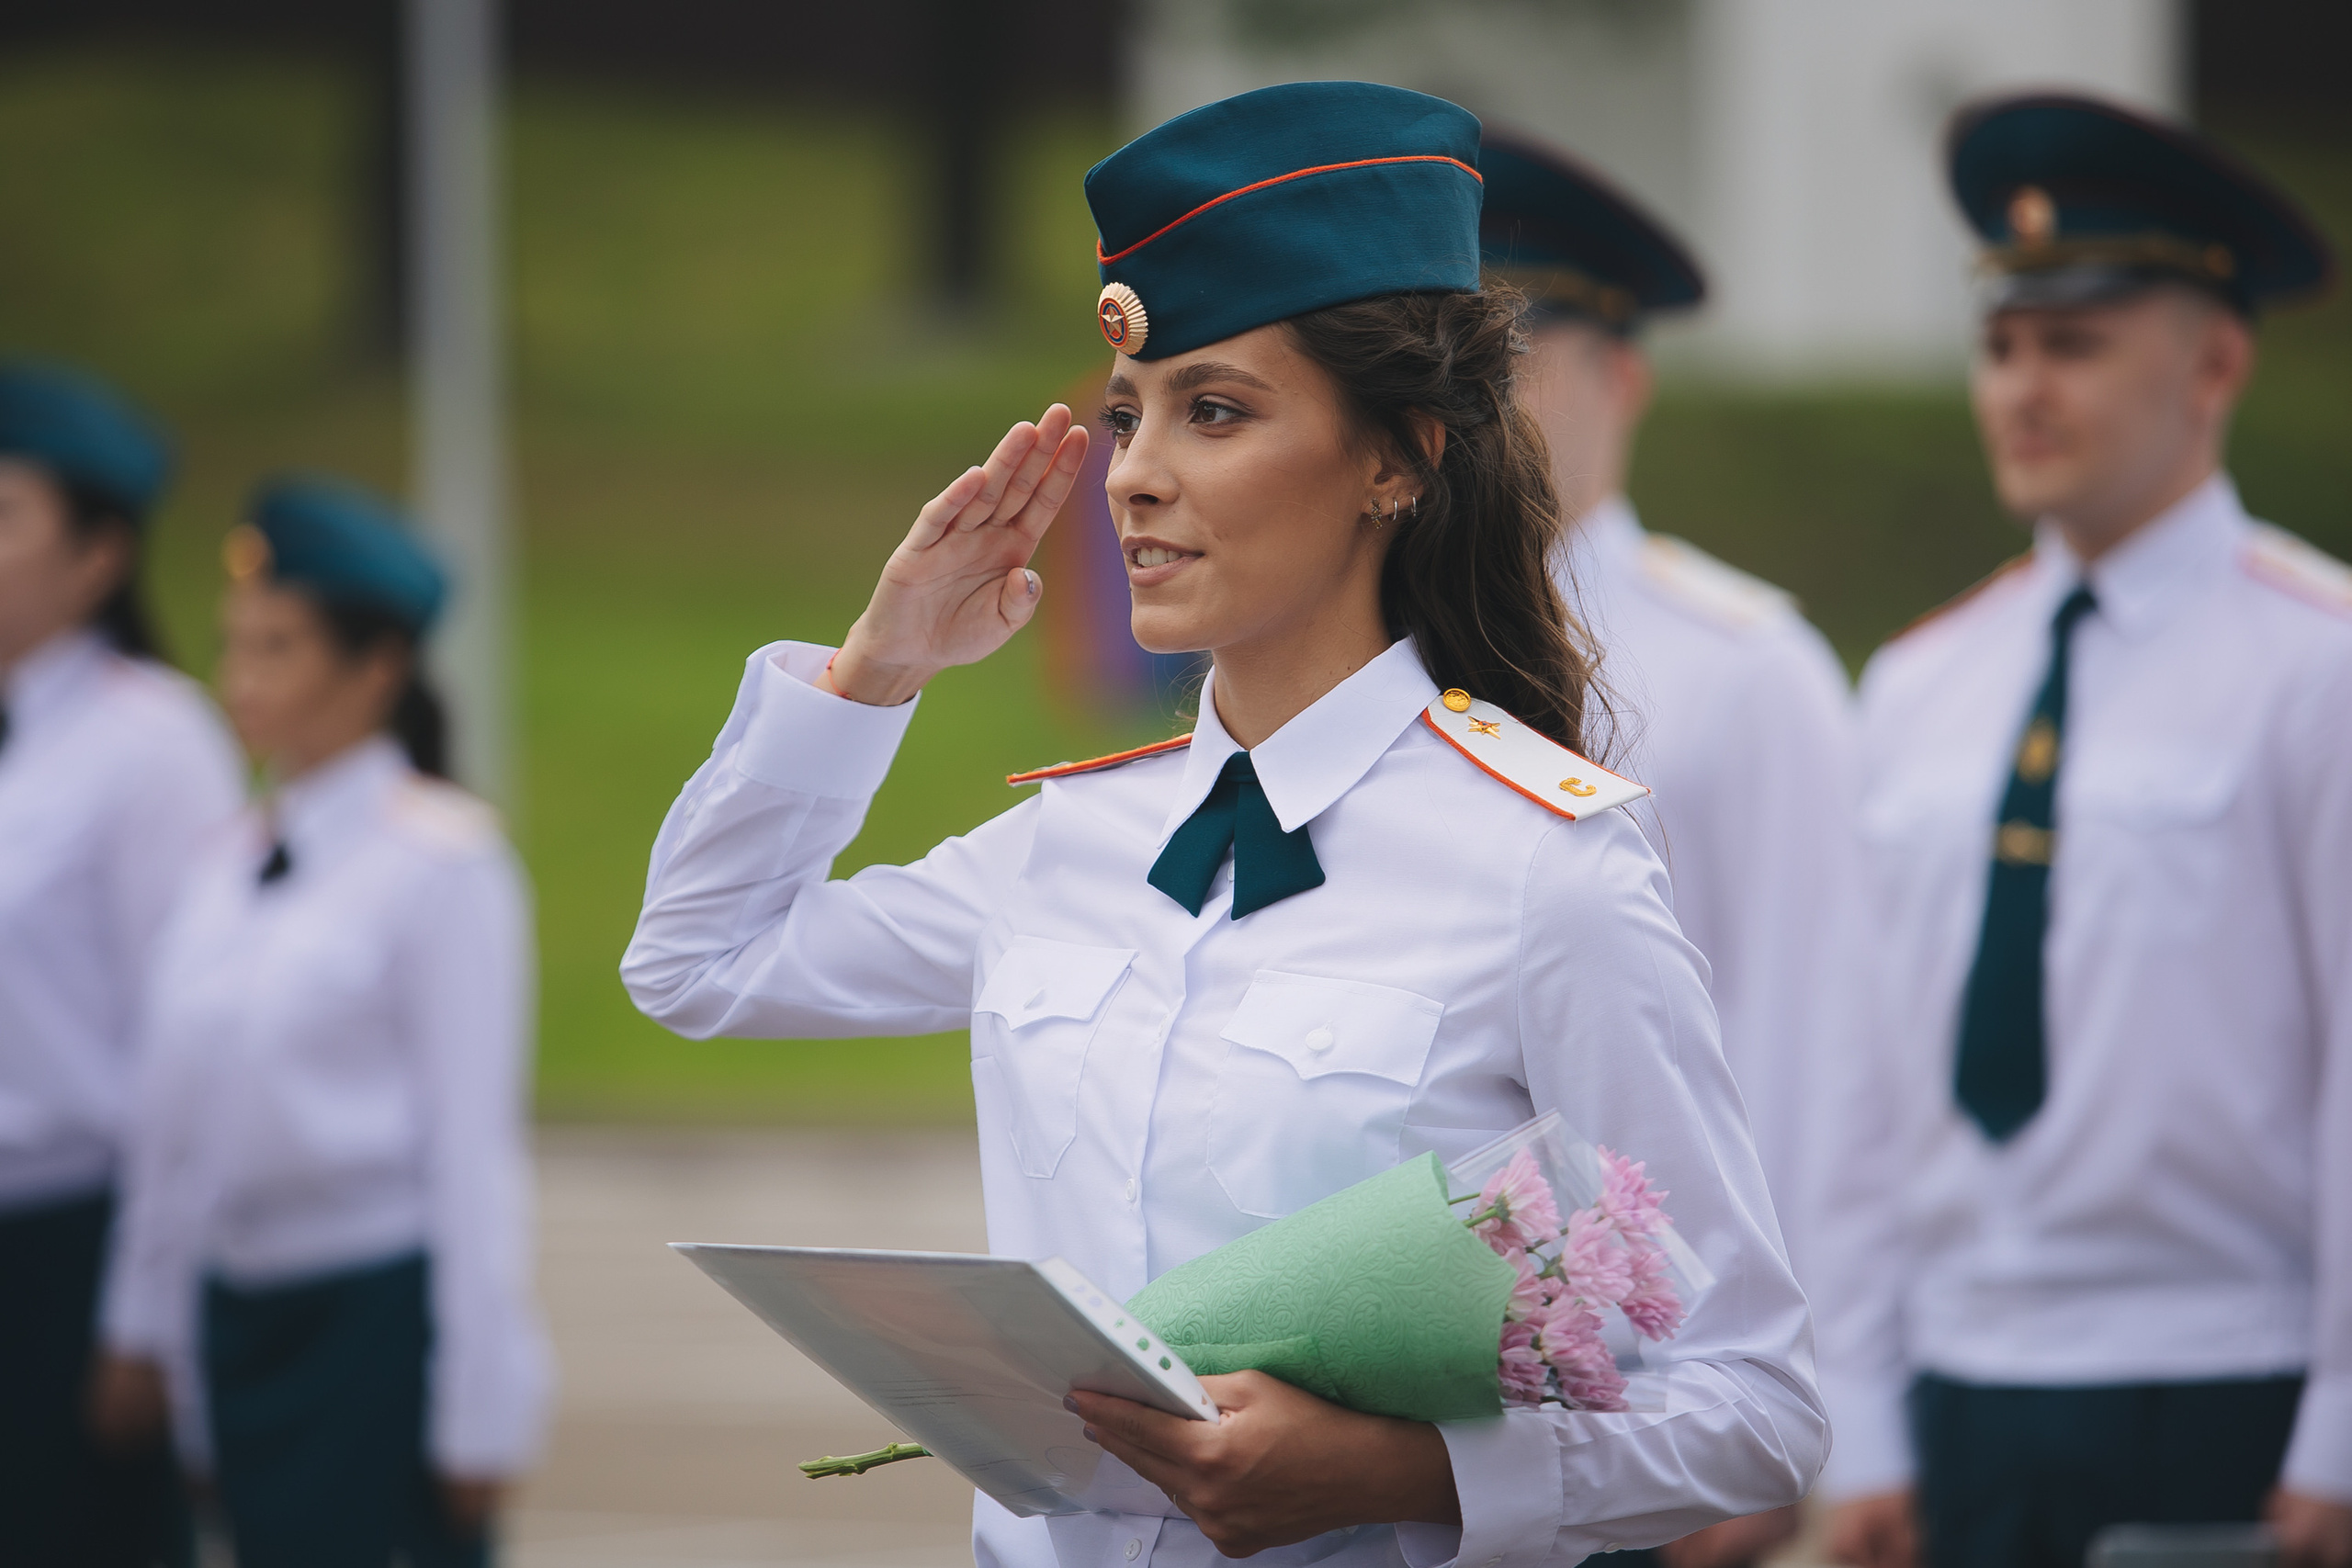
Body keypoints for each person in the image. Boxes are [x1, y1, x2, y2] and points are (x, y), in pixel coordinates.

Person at [624, 82, 1824, 1568]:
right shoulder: (1073, 839)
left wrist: (1413, 1471)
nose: (1137, 474)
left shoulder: (1545, 867)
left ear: (1398, 457)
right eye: (1130, 415)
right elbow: (699, 961)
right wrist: (878, 670)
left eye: (1217, 411)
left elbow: (1755, 1403)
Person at [1812, 94, 2352, 1568]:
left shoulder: (2317, 664)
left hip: (2227, 1378)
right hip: (1961, 1389)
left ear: (2216, 361)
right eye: (2001, 346)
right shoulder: (1920, 680)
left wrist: (2342, 1415)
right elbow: (1864, 1071)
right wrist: (1860, 1402)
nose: (2024, 388)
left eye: (2076, 343)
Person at [1479, 134, 1866, 1568]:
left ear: (1621, 376)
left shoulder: (1744, 666)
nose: (1480, 400)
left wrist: (1795, 1395)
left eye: (1516, 354)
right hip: (1408, 1385)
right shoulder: (1368, 652)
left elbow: (1815, 1047)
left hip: (1655, 1394)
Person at [97, 476, 549, 1568]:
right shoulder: (226, 861)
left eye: (278, 647)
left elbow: (470, 1153)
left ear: (378, 666)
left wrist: (481, 1407)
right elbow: (172, 1123)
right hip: (239, 1309)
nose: (239, 679)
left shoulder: (441, 864)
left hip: (372, 1316)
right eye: (233, 644)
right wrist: (143, 1323)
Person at [0, 362, 244, 1568]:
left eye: (4, 515)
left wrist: (144, 1317)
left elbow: (186, 1047)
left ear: (99, 555)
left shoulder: (151, 743)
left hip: (66, 1247)